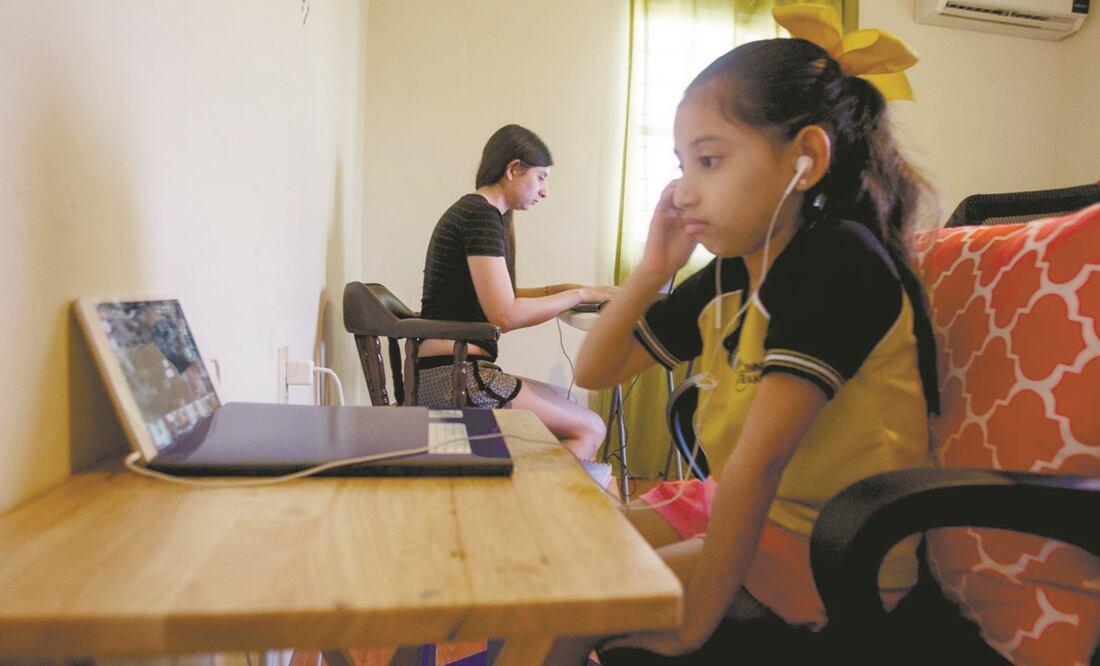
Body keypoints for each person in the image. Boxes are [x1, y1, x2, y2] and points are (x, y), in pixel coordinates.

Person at [554, 33, 940, 664]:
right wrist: (652, 270)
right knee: (560, 555)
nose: (683, 191)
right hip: (753, 513)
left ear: (805, 158)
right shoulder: (733, 271)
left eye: (709, 160)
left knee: (573, 598)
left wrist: (694, 625)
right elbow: (598, 370)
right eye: (682, 165)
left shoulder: (837, 261)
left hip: (834, 544)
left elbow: (759, 465)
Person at [417, 124, 619, 485]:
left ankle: (524, 490)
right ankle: (531, 500)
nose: (544, 191)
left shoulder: (479, 212)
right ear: (513, 170)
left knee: (566, 401)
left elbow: (499, 296)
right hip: (454, 378)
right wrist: (579, 296)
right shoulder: (479, 215)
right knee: (591, 428)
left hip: (451, 370)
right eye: (540, 177)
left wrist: (570, 290)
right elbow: (504, 314)